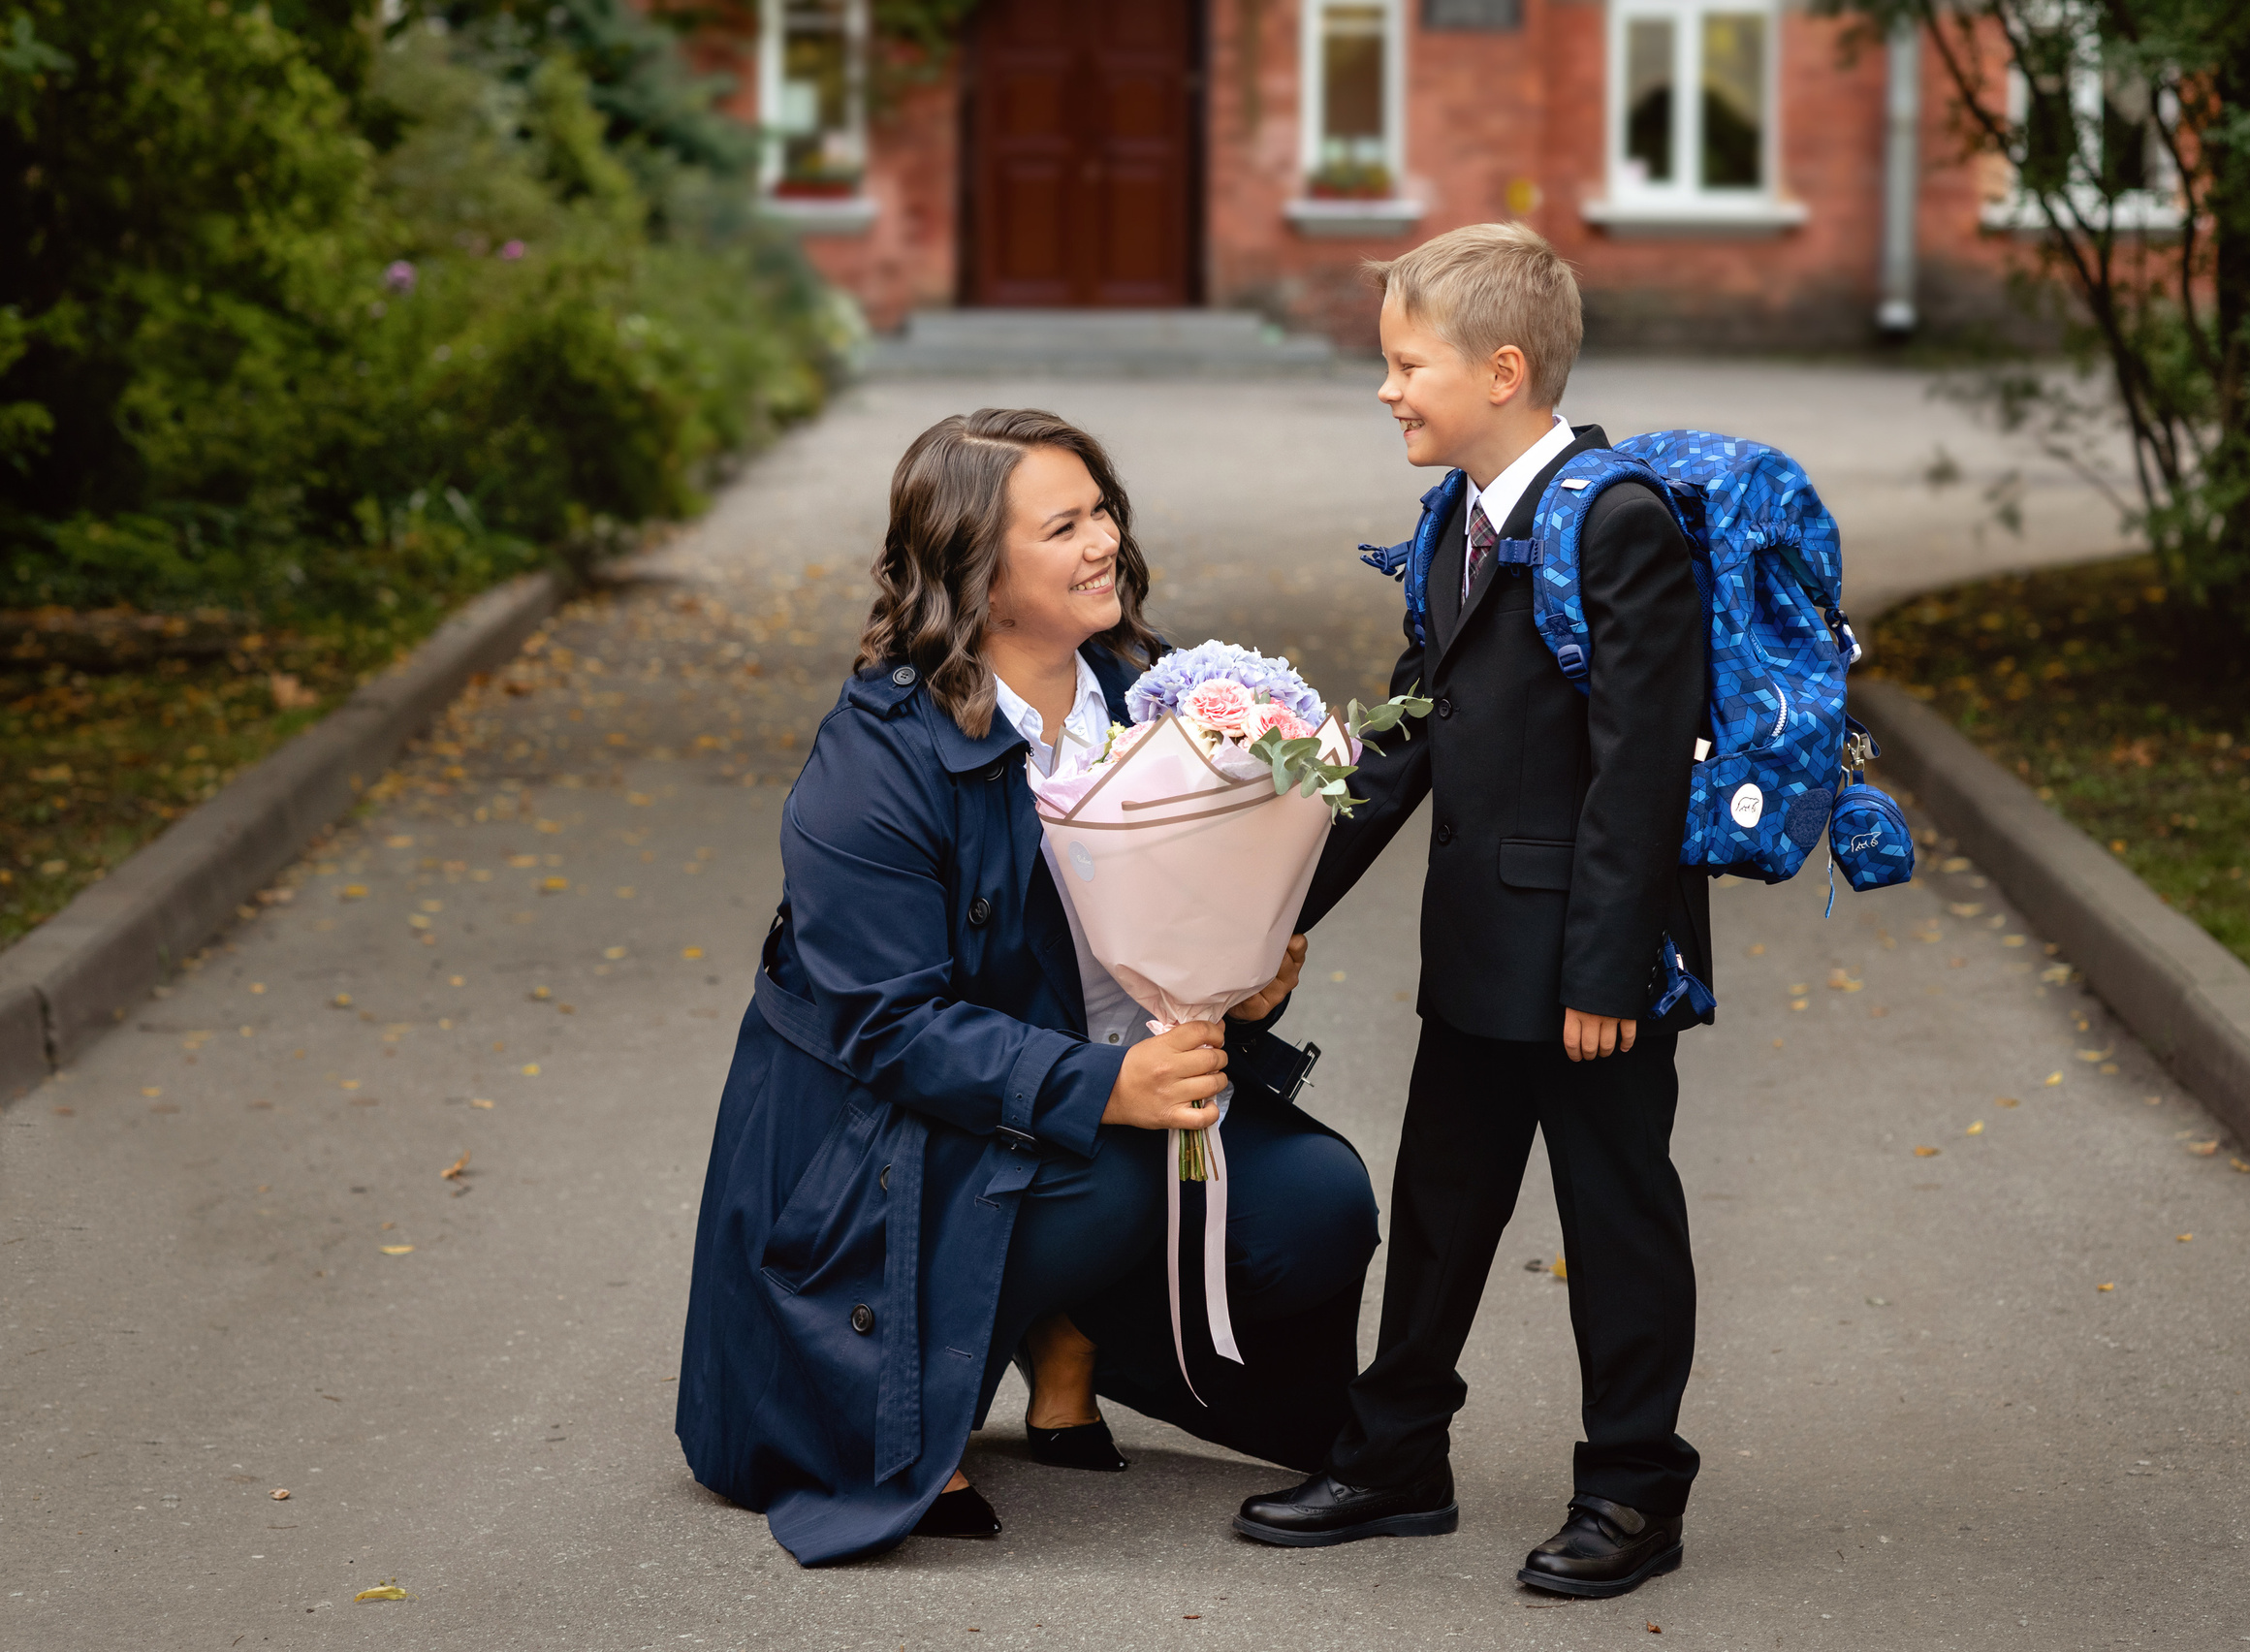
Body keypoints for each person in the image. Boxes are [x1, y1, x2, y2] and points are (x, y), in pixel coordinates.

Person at [675, 407, 1378, 1568]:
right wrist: (1108, 1085)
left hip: (1092, 1091)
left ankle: (1071, 1339)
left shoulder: (1158, 698)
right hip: (897, 1136)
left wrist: (1248, 983)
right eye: (1064, 526)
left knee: (1316, 1201)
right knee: (1104, 1184)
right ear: (978, 572)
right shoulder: (876, 754)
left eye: (1101, 510)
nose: (1102, 539)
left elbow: (1182, 927)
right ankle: (922, 1404)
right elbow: (887, 1025)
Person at [1230, 224, 1715, 1601]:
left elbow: (1638, 770)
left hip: (1593, 969)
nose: (1386, 389)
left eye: (1405, 364)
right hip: (1480, 951)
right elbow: (1400, 747)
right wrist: (1265, 912)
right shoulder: (1454, 520)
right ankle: (1398, 1460)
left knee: (1615, 1219)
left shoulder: (1619, 521)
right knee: (1441, 1206)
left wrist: (1613, 974)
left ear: (1502, 371)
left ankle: (1632, 1487)